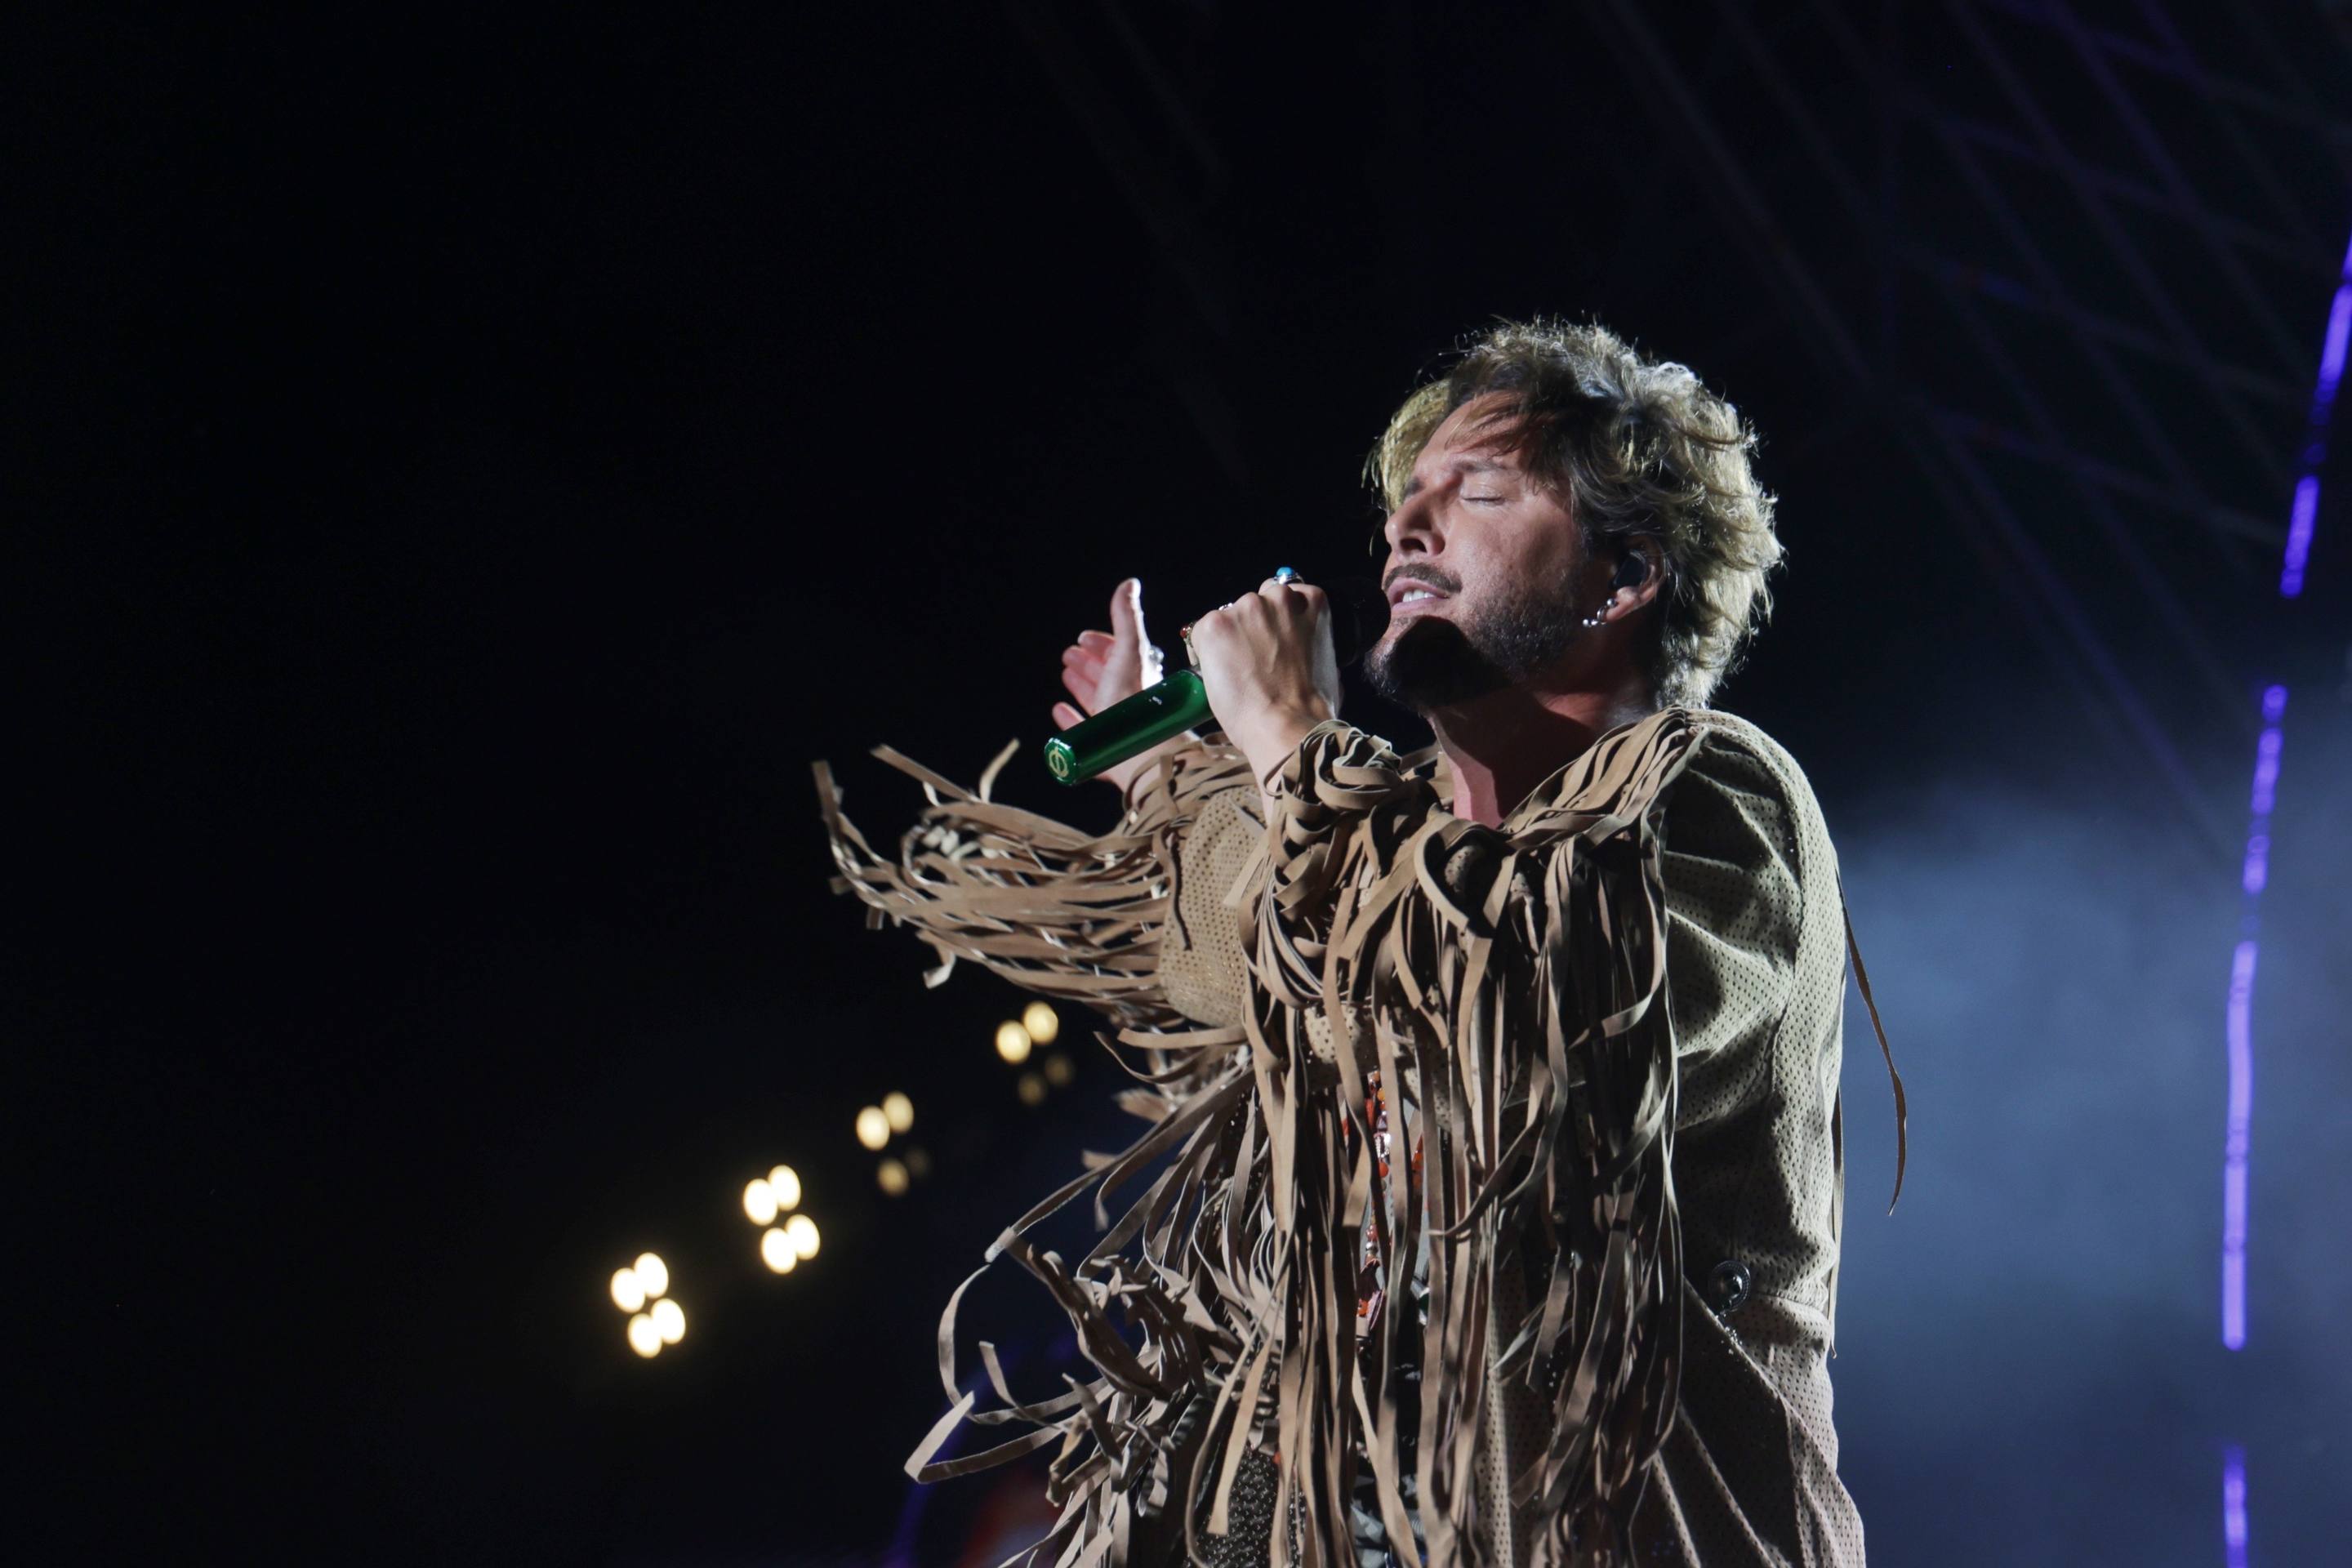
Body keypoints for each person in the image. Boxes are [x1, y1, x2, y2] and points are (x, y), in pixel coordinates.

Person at [817, 319, 1902, 1567]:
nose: (1408, 528)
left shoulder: (1712, 793)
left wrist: (1286, 732)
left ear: (1626, 574)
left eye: (1478, 493)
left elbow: (1511, 1003)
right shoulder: (1380, 834)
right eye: (1405, 501)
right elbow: (1255, 961)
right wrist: (1171, 771)